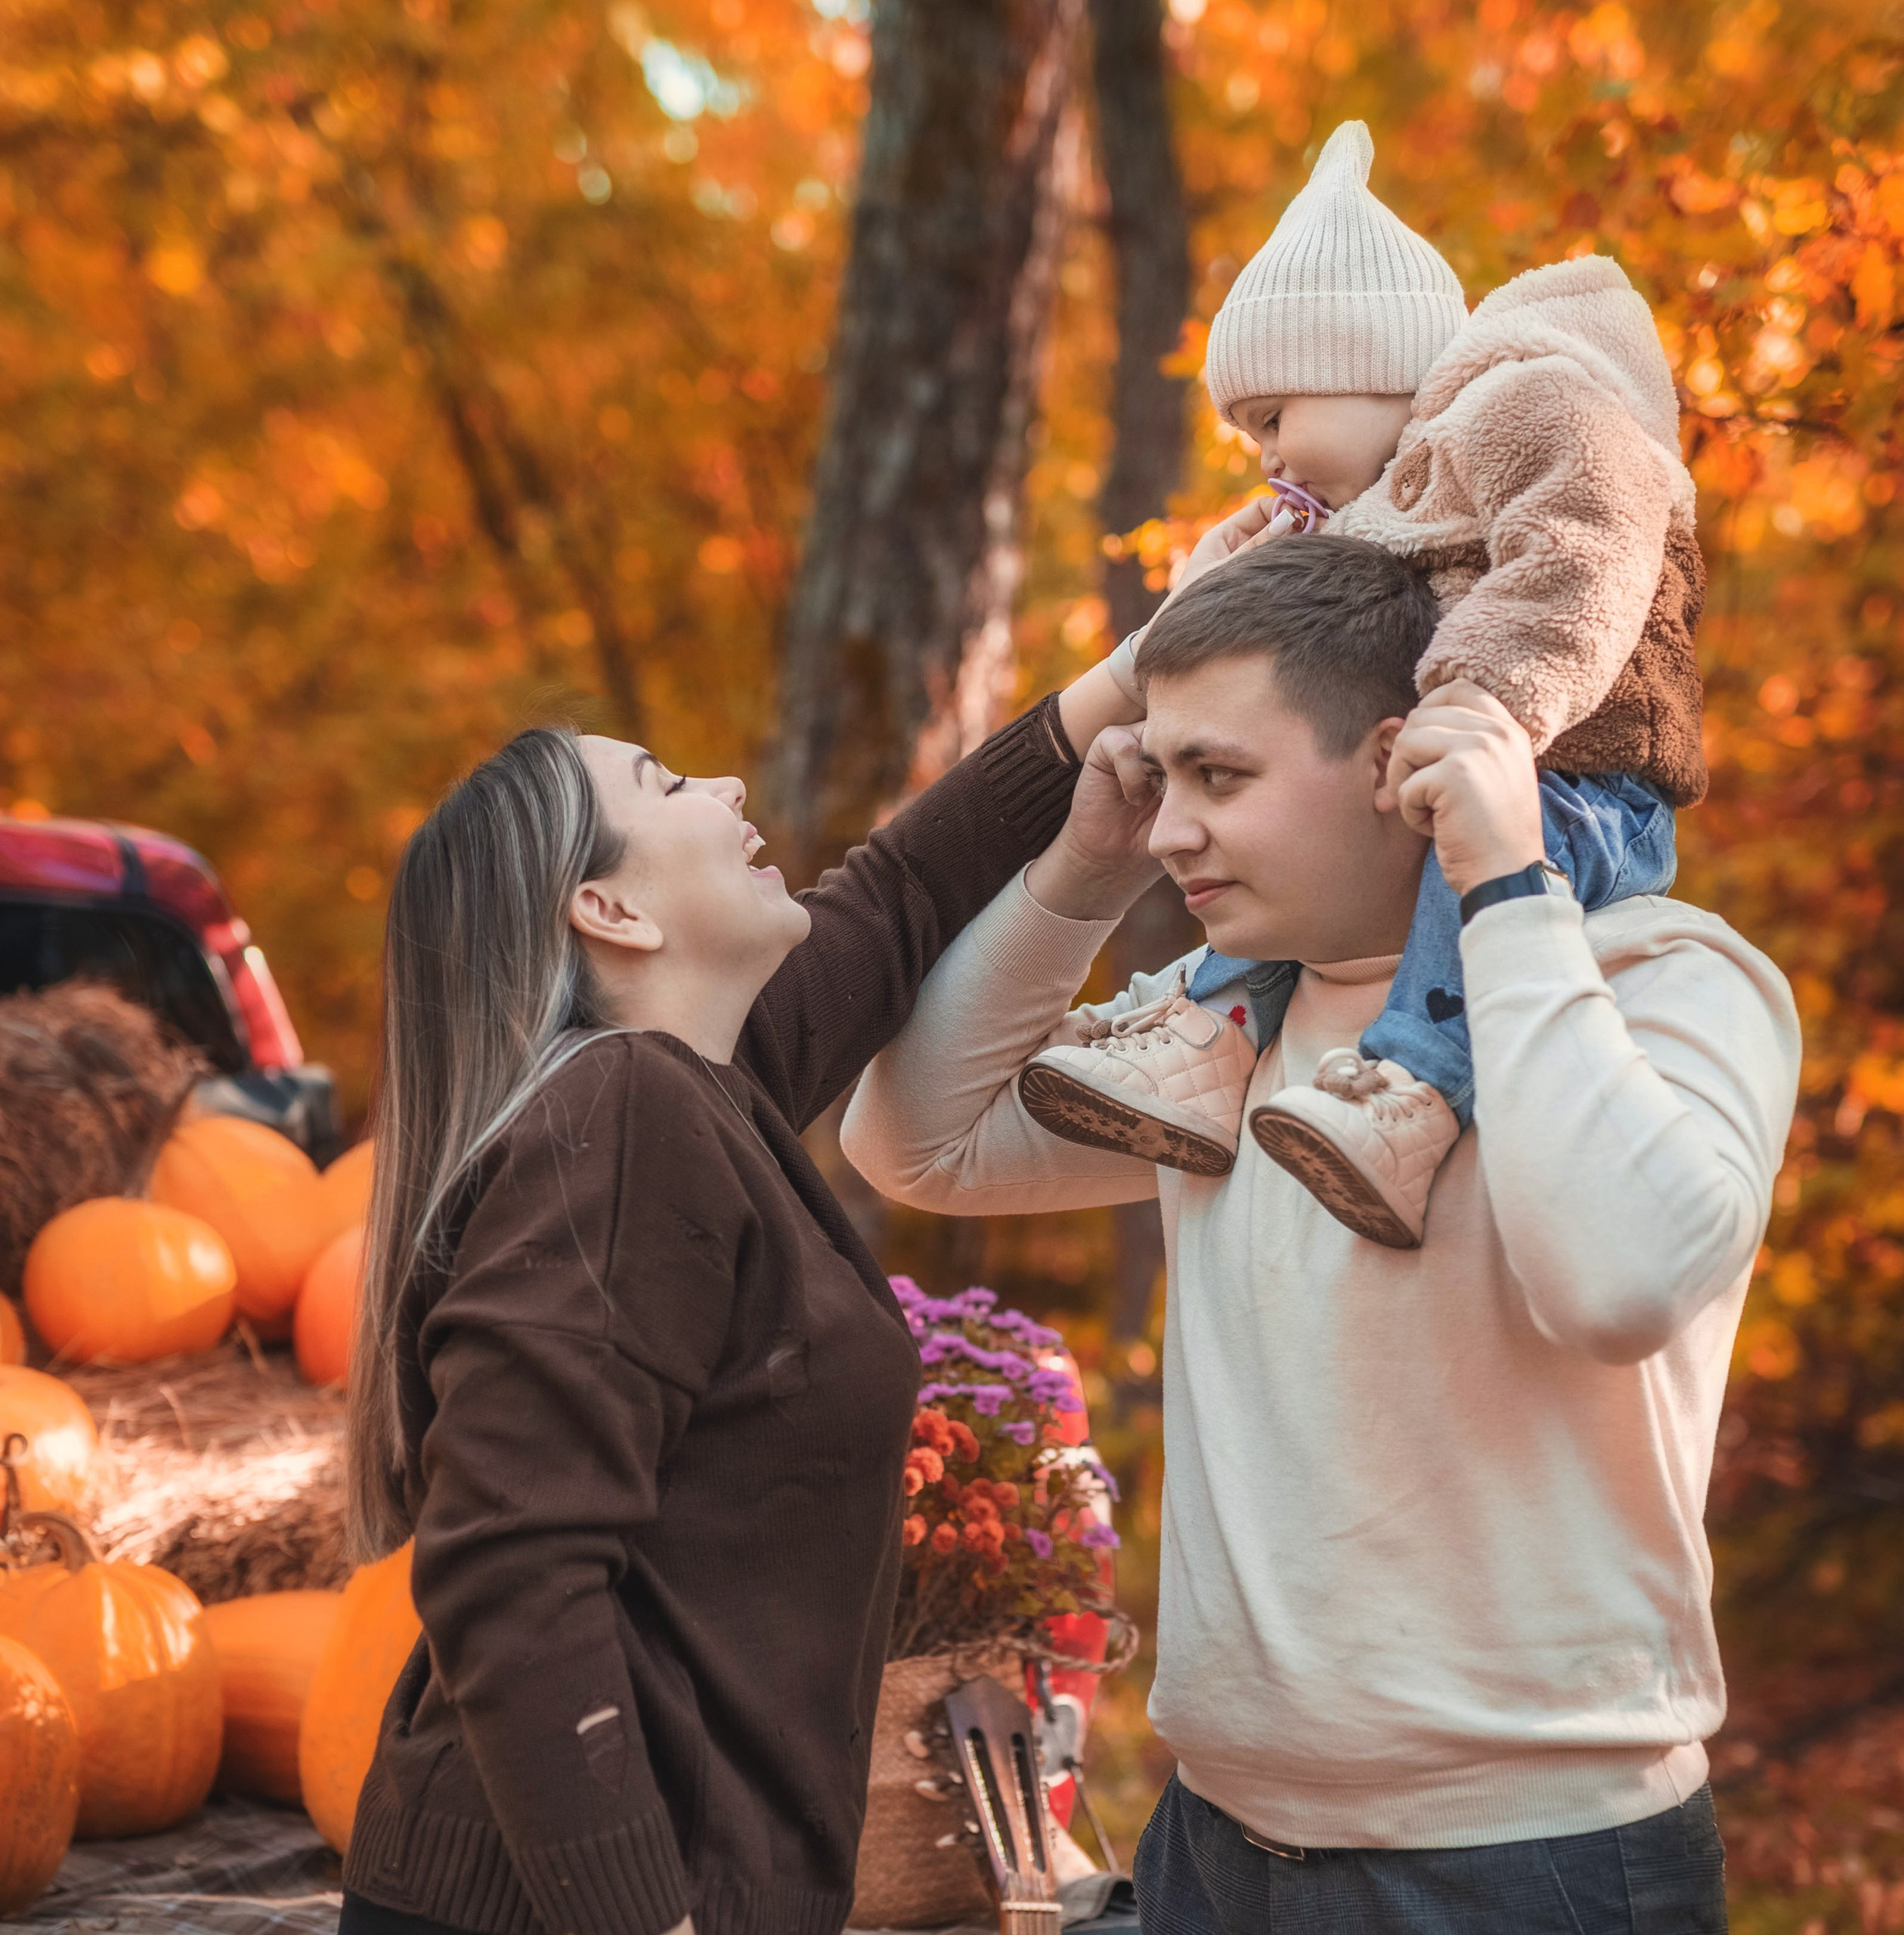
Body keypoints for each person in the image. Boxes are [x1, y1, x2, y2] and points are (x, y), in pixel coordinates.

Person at [842, 534, 1800, 1933]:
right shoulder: (1218, 1026)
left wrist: (1506, 887)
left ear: (1399, 758)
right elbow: (916, 1138)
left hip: (1527, 1870)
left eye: (1219, 778)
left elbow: (1623, 1283)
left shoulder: (1662, 977)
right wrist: (1083, 873)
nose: (1174, 826)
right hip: (1212, 1846)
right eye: (1159, 777)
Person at [333, 644, 1140, 1935]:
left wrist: (1138, 671)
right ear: (612, 912)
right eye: (664, 786)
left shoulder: (698, 1093)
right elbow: (512, 1567)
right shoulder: (626, 1115)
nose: (720, 781)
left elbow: (899, 895)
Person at [1020, 121, 1706, 1249]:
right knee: (1291, 815)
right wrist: (1209, 593)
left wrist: (1486, 700)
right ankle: (1211, 1038)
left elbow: (1587, 547)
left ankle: (1413, 1092)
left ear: (1363, 367)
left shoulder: (1532, 401)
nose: (1266, 457)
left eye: (1272, 417)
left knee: (1451, 855)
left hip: (1588, 780)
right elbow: (1288, 675)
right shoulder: (1392, 503)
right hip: (1472, 765)